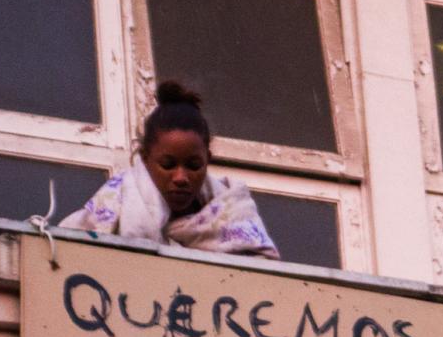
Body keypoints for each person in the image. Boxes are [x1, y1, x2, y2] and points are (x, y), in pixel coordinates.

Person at [61, 82, 279, 258]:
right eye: (168, 165)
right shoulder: (116, 202)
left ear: (208, 160)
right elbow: (68, 249)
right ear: (145, 158)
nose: (181, 178)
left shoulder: (235, 210)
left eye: (193, 166)